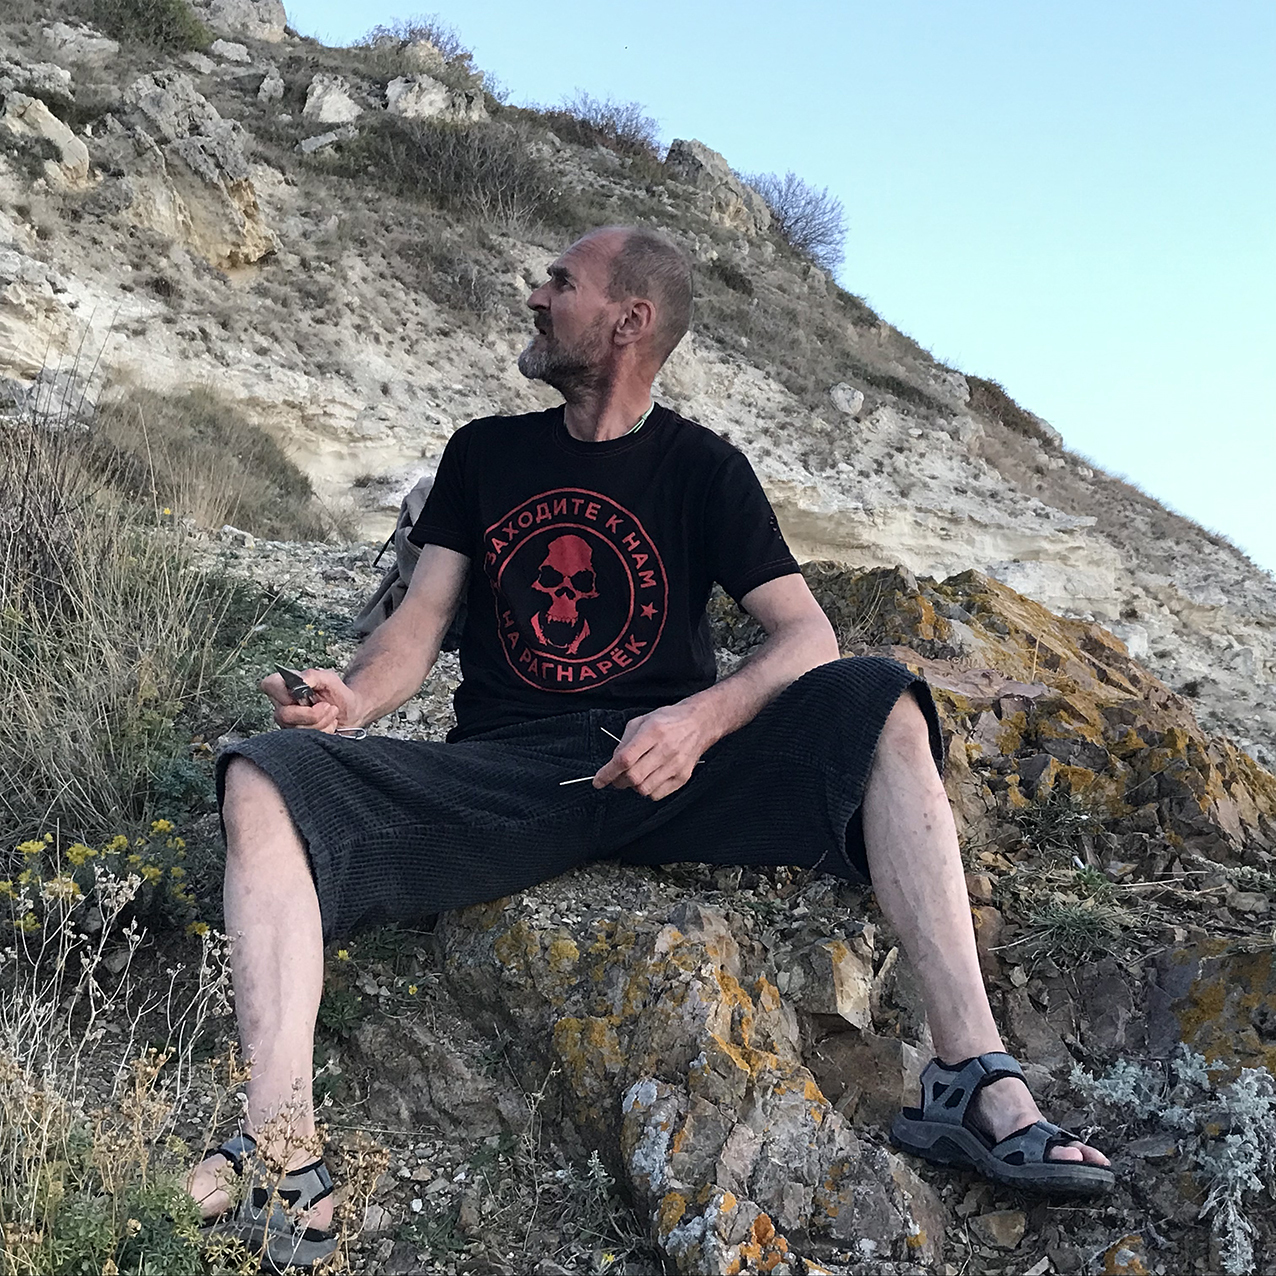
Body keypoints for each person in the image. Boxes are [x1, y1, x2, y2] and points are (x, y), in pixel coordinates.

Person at [187, 226, 1111, 1269]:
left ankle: (973, 1079)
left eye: (561, 282)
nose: (537, 296)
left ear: (629, 320)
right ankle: (282, 1151)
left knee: (882, 700)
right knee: (262, 776)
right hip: (508, 773)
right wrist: (351, 698)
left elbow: (805, 635)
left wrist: (698, 720)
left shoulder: (703, 469)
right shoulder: (484, 453)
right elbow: (420, 620)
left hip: (676, 772)